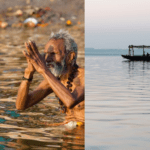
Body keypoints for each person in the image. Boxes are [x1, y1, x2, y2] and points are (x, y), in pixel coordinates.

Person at [16, 30, 84, 127]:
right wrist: (28, 73)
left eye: (53, 54)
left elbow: (70, 101)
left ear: (70, 57)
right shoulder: (54, 80)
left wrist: (44, 70)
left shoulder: (84, 77)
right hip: (67, 134)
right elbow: (21, 106)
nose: (47, 59)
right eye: (46, 54)